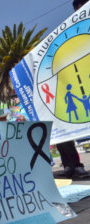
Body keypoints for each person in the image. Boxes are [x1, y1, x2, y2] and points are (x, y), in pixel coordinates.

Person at [56, 0, 89, 178]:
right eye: (77, 6)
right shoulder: (70, 32)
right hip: (77, 88)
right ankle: (71, 164)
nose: (81, 7)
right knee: (62, 128)